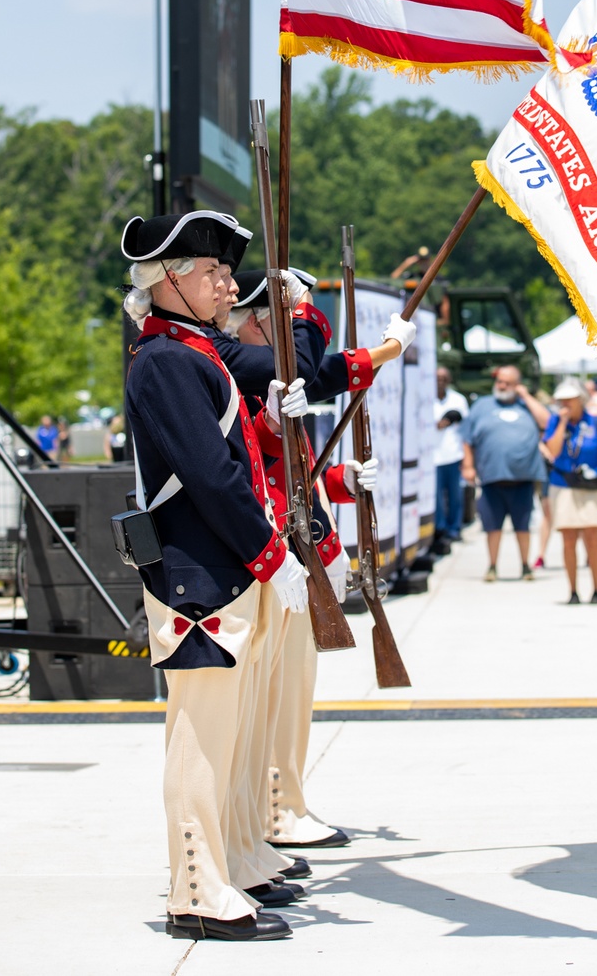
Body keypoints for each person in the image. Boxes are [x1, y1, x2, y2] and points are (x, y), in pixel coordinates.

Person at [121, 209, 317, 945]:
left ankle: (228, 860)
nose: (227, 283)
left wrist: (268, 420)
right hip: (199, 571)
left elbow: (233, 456)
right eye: (211, 272)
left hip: (221, 564)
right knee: (202, 740)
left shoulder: (195, 353)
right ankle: (196, 889)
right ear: (167, 280)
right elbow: (207, 475)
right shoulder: (169, 360)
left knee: (229, 736)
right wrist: (271, 554)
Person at [217, 268, 413, 854]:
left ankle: (283, 805)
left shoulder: (268, 379)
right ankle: (276, 811)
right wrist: (371, 342)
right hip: (275, 556)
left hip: (298, 549)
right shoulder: (241, 376)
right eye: (278, 323)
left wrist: (341, 480)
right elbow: (264, 456)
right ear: (258, 323)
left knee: (292, 693)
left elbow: (298, 460)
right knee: (273, 697)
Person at [460, 365, 548, 582]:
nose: (501, 386)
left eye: (507, 383)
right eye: (499, 381)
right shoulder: (482, 406)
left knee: (523, 526)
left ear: (517, 385)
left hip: (523, 478)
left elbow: (547, 422)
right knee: (492, 526)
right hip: (491, 477)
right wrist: (468, 466)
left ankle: (526, 566)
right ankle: (492, 566)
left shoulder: (526, 405)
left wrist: (526, 396)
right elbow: (467, 440)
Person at [543, 379, 597, 604]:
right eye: (561, 400)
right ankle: (573, 591)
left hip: (591, 485)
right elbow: (553, 451)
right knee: (568, 538)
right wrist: (562, 422)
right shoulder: (555, 422)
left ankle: (596, 589)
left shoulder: (596, 422)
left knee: (592, 537)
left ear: (581, 400)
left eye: (570, 400)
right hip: (564, 484)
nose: (565, 404)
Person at [433, 367, 469, 551]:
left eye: (444, 378)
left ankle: (454, 529)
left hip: (453, 454)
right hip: (433, 456)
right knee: (436, 497)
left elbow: (465, 427)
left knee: (455, 495)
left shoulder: (458, 400)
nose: (440, 381)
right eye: (437, 378)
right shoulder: (426, 399)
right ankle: (440, 529)